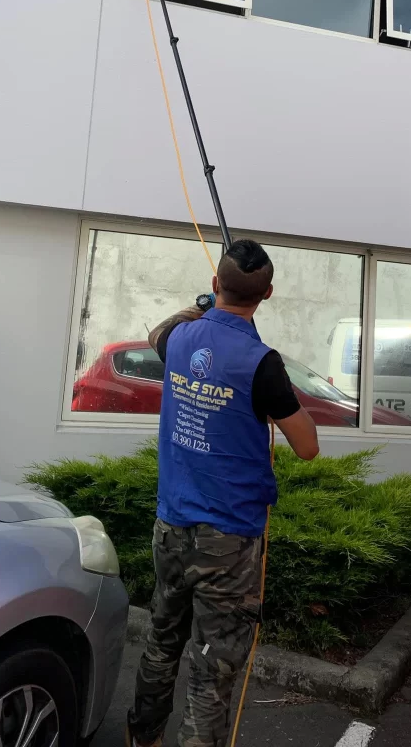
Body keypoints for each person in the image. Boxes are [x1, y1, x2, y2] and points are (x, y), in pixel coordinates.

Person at [127, 239, 319, 747]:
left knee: (161, 643)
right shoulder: (262, 363)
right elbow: (307, 447)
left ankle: (140, 738)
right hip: (230, 542)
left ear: (216, 284)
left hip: (171, 527)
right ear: (268, 294)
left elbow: (156, 333)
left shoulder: (183, 337)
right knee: (212, 671)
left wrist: (203, 309)